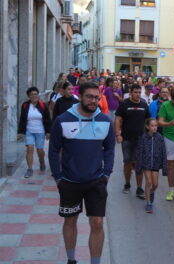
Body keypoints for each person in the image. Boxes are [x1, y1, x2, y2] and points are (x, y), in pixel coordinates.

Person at [48, 82, 115, 264]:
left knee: (98, 223)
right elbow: (53, 150)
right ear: (81, 96)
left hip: (96, 181)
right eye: (89, 96)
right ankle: (71, 259)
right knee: (70, 221)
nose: (93, 101)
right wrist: (58, 177)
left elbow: (109, 149)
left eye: (96, 97)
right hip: (69, 181)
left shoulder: (105, 121)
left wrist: (106, 173)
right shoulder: (62, 120)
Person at [115, 84, 151, 198]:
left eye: (139, 92)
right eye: (135, 92)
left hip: (140, 139)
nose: (138, 94)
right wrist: (118, 134)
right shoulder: (124, 104)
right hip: (126, 138)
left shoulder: (144, 104)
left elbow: (148, 121)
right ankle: (127, 184)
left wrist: (148, 134)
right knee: (127, 162)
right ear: (130, 93)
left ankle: (139, 188)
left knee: (138, 163)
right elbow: (118, 119)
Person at [135, 118, 167, 214]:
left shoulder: (160, 138)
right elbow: (139, 152)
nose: (154, 128)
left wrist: (164, 166)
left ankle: (151, 192)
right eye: (152, 126)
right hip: (146, 163)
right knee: (148, 182)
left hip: (156, 164)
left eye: (156, 126)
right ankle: (149, 203)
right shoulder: (143, 138)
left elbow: (163, 152)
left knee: (155, 184)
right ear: (147, 126)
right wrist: (138, 166)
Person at [18, 87, 51, 178]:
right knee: (30, 148)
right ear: (29, 96)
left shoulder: (43, 105)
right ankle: (29, 169)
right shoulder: (25, 105)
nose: (34, 96)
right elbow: (22, 119)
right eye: (32, 94)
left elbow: (48, 119)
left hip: (40, 131)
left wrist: (48, 131)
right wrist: (20, 132)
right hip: (29, 131)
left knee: (40, 150)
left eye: (36, 94)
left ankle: (41, 160)